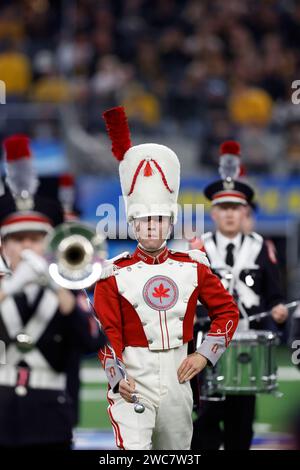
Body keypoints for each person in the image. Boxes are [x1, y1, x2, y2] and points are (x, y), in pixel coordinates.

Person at [93, 107, 239, 450]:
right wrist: (117, 378)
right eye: (144, 221)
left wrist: (204, 355)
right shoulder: (111, 273)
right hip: (134, 375)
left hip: (179, 374)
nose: (151, 227)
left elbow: (227, 313)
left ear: (170, 222)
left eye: (159, 220)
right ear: (132, 224)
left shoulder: (193, 265)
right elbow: (105, 332)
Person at [0, 135, 106, 449]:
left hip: (50, 417)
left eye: (35, 238)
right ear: (3, 246)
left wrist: (59, 285)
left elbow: (91, 341)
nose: (27, 246)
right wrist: (12, 285)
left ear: (48, 244)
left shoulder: (65, 289)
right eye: (17, 239)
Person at [192, 140, 288, 450]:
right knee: (205, 420)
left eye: (236, 208)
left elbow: (274, 293)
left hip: (247, 345)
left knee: (240, 423)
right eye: (223, 208)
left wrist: (277, 309)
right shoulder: (199, 248)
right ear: (214, 212)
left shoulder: (261, 247)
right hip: (205, 347)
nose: (230, 214)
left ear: (244, 211)